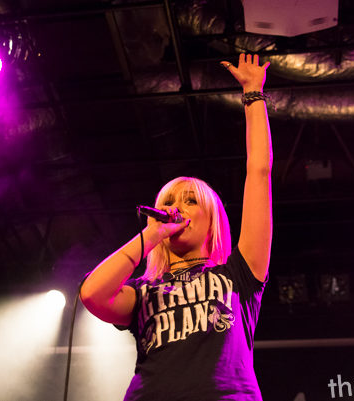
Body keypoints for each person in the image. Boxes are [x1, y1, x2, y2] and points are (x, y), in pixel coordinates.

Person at [80, 53, 273, 401]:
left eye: (190, 201)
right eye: (168, 201)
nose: (175, 208)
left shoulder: (239, 274)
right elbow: (92, 294)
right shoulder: (143, 292)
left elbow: (259, 172)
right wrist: (151, 235)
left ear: (212, 221)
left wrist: (253, 94)